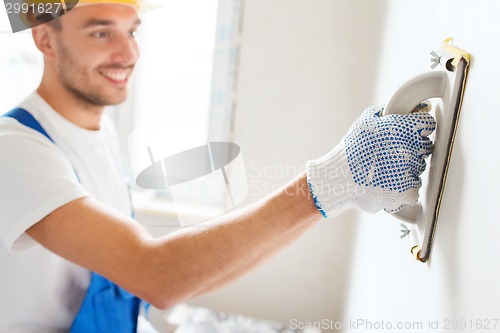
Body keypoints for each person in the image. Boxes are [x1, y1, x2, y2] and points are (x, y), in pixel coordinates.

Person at [0, 0, 436, 332]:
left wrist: (336, 196)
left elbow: (147, 282)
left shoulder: (101, 133)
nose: (127, 53)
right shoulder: (14, 149)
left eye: (132, 31)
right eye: (101, 33)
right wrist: (331, 181)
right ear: (44, 39)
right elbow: (151, 273)